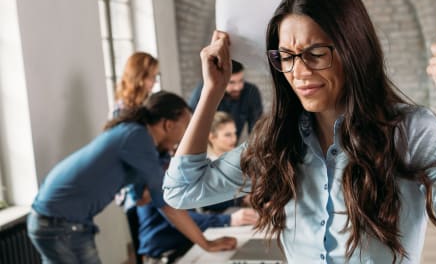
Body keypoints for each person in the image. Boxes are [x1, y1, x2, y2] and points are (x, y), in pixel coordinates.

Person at [163, 0, 436, 264]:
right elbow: (182, 191)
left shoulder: (410, 132)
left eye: (315, 53)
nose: (298, 71)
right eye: (286, 56)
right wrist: (212, 91)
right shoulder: (277, 142)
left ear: (354, 49)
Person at [28, 91, 236, 264]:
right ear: (168, 125)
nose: (187, 134)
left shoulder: (134, 135)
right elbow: (167, 204)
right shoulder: (138, 137)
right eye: (186, 126)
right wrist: (207, 243)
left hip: (54, 221)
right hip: (60, 224)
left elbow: (141, 198)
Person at [188, 59, 263, 138]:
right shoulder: (205, 91)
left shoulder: (251, 91)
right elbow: (192, 125)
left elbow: (256, 126)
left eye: (241, 80)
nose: (237, 87)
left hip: (232, 146)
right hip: (207, 144)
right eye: (231, 82)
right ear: (219, 79)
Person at [112, 52, 160, 117]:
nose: (155, 81)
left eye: (155, 76)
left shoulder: (148, 103)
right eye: (152, 77)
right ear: (139, 77)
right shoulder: (121, 109)